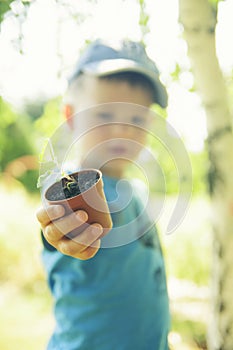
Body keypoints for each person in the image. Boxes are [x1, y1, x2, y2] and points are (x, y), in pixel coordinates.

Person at [36, 39, 170, 350]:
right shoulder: (72, 187)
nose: (122, 130)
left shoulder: (134, 193)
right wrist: (65, 229)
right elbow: (59, 220)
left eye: (136, 119)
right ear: (70, 116)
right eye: (105, 115)